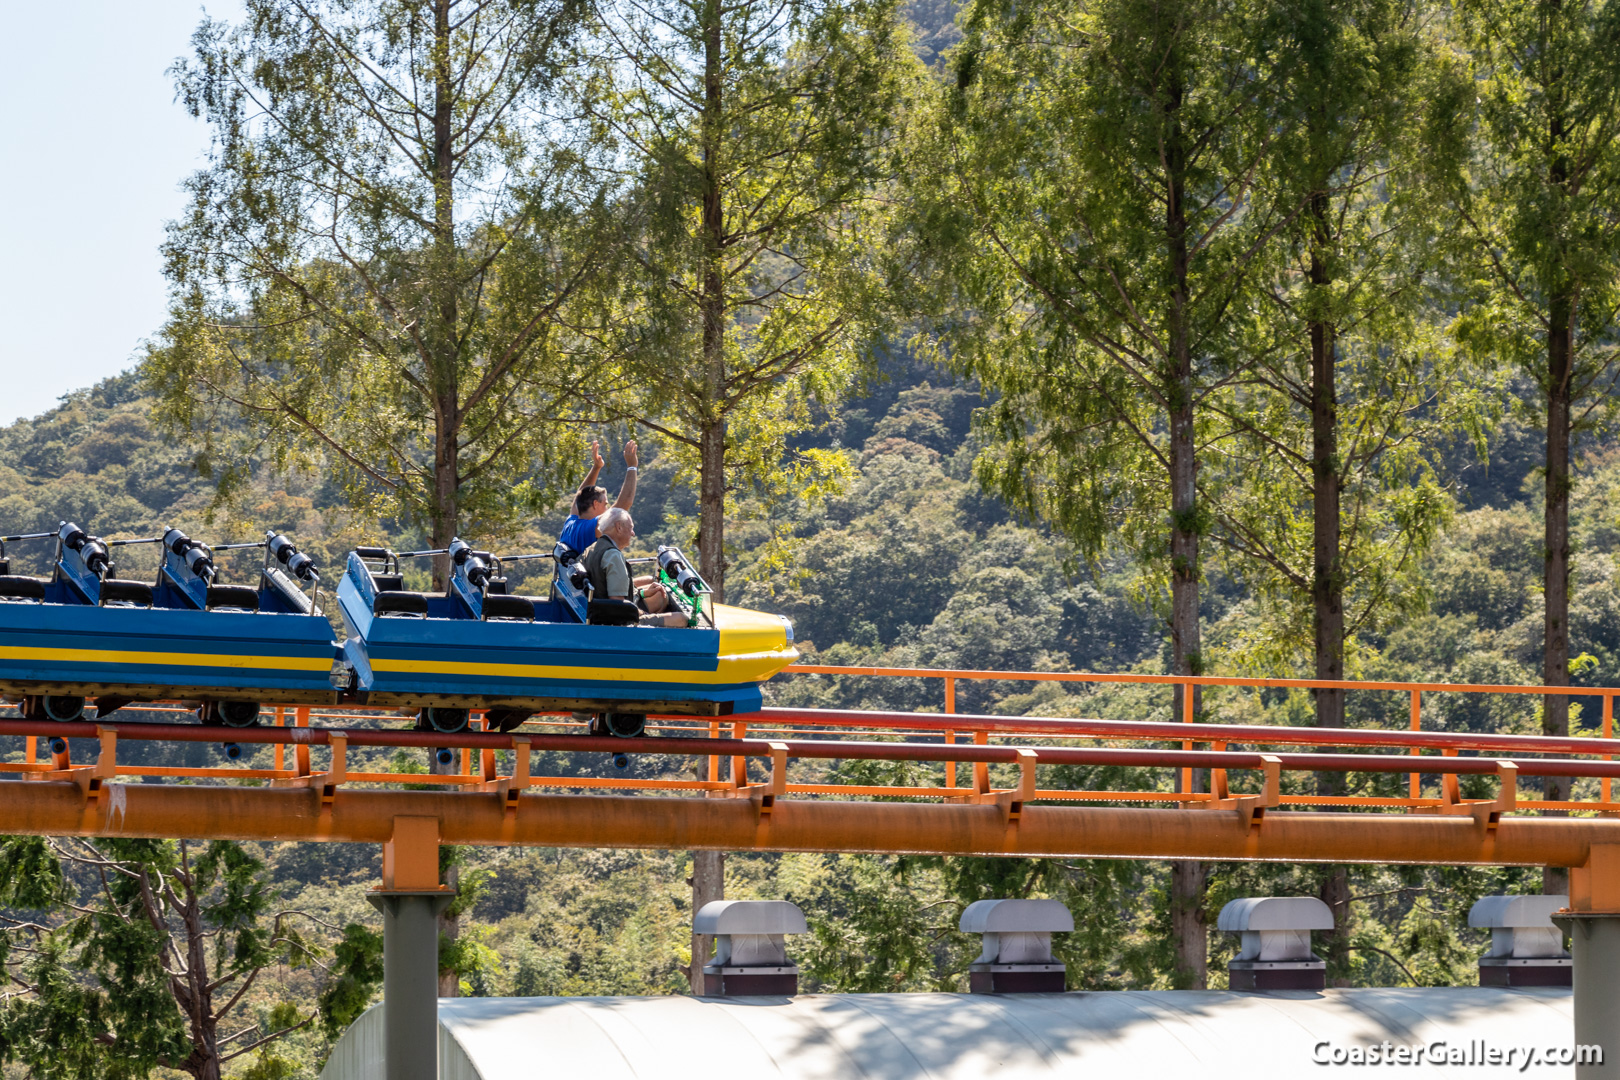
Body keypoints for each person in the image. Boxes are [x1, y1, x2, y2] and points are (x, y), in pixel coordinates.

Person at [582, 508, 686, 627]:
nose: (633, 533)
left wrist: (642, 593)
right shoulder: (613, 556)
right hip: (617, 623)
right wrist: (642, 613)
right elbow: (618, 606)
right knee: (681, 619)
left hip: (598, 612)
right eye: (630, 528)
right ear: (619, 527)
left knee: (659, 593)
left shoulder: (591, 549)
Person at [559, 439, 640, 554]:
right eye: (605, 504)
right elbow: (623, 506)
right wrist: (632, 467)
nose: (608, 509)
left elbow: (580, 495)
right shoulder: (590, 528)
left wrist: (596, 467)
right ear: (595, 504)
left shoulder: (570, 524)